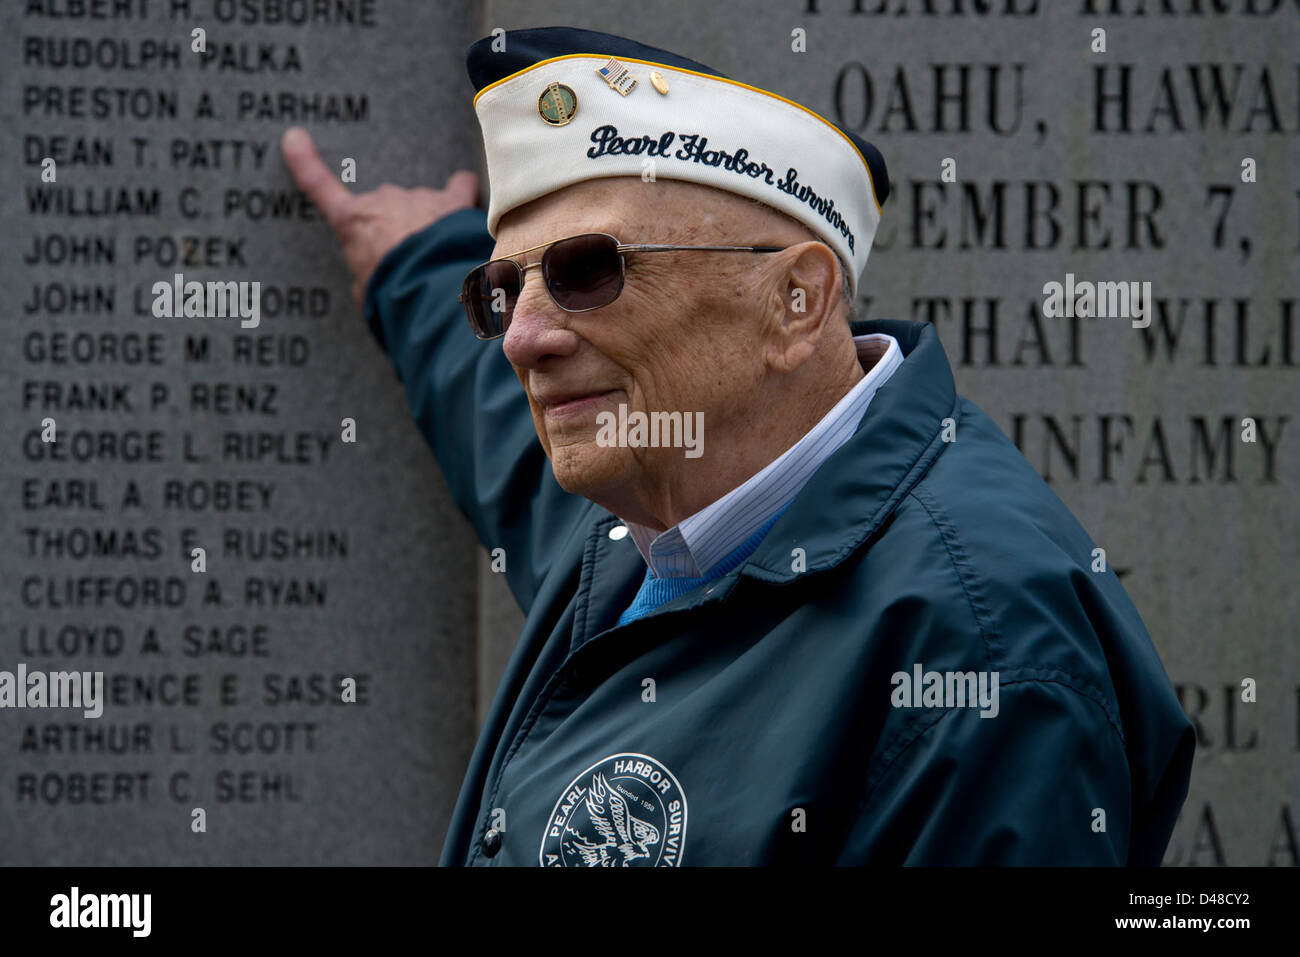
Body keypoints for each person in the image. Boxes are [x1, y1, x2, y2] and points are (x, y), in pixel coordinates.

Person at [281, 26, 1194, 866]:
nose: (523, 338)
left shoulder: (981, 654)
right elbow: (501, 433)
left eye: (589, 271)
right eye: (501, 289)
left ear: (795, 302)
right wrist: (412, 264)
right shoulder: (661, 489)